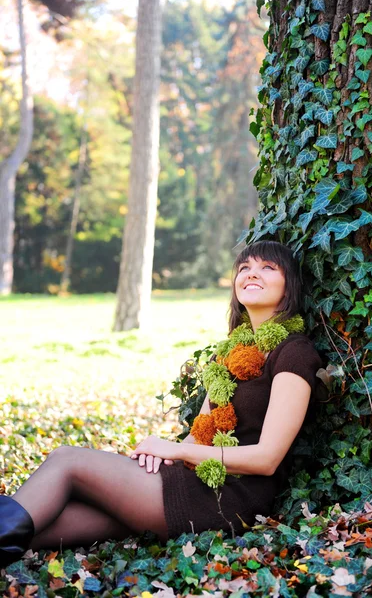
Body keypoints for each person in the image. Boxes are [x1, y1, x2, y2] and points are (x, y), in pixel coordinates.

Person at [0, 240, 324, 567]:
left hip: (231, 497)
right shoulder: (229, 355)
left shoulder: (294, 353)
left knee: (67, 460)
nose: (252, 274)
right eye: (244, 268)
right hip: (192, 479)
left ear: (288, 287)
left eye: (267, 268)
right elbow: (199, 434)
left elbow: (267, 458)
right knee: (45, 525)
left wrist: (178, 451)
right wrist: (166, 457)